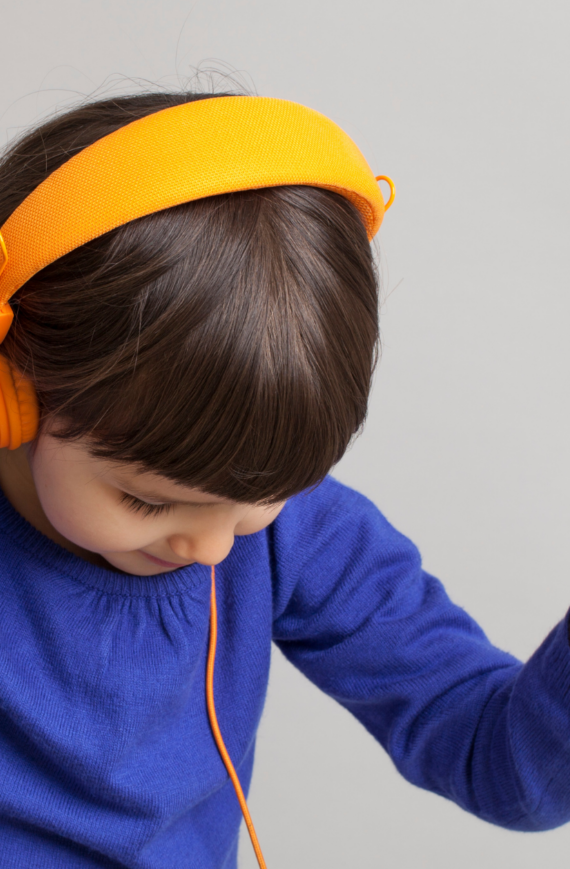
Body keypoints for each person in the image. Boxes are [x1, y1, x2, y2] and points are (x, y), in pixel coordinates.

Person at [0, 87, 568, 869]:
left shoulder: (300, 533)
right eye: (147, 499)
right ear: (14, 394)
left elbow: (501, 765)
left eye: (256, 499)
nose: (211, 547)